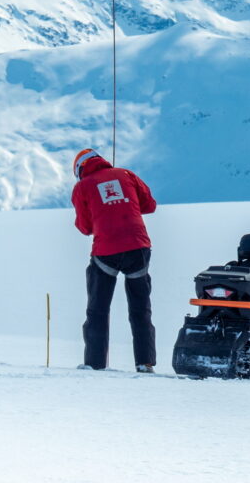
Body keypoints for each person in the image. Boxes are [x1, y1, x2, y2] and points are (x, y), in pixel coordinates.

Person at [71, 148, 157, 372]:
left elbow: (85, 226)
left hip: (106, 251)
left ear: (80, 169)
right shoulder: (126, 174)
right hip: (138, 248)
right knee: (140, 309)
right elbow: (149, 205)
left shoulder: (82, 187)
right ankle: (145, 363)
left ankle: (95, 363)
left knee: (98, 310)